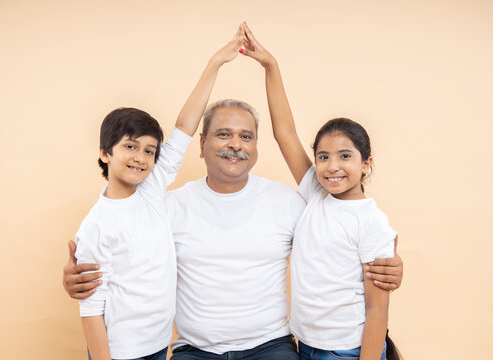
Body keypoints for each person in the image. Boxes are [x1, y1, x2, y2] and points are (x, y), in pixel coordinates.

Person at [64, 25, 404, 360]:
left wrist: (387, 266)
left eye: (246, 136)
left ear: (257, 146)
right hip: (194, 351)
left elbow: (338, 245)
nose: (235, 145)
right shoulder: (165, 207)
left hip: (272, 347)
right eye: (223, 134)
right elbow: (124, 250)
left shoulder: (294, 202)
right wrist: (78, 279)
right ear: (201, 144)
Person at [72, 26, 246, 360]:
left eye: (150, 151)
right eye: (130, 147)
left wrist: (214, 65)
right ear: (105, 153)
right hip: (120, 353)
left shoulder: (150, 191)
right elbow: (91, 308)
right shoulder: (97, 224)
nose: (140, 157)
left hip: (158, 347)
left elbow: (184, 128)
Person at [240, 22, 402, 359]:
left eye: (345, 157)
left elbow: (377, 311)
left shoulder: (372, 222)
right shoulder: (316, 191)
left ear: (366, 163)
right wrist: (271, 66)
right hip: (308, 347)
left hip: (348, 351)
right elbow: (284, 132)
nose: (332, 167)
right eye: (323, 157)